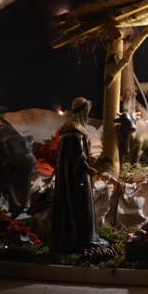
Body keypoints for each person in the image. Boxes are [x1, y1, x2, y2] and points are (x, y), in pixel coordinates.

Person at [50, 97, 103, 253]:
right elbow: (77, 156)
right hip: (74, 179)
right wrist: (86, 169)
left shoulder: (72, 127)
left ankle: (76, 237)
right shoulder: (74, 130)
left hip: (70, 176)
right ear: (83, 111)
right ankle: (80, 238)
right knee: (78, 206)